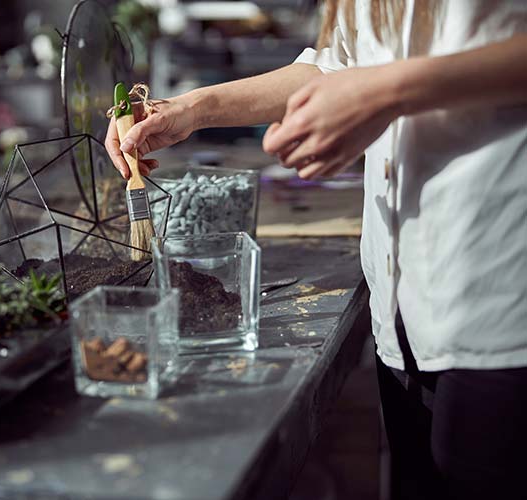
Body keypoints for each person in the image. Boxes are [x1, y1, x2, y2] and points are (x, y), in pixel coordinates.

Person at [105, 1, 527, 499]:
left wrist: (386, 91)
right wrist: (193, 108)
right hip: (409, 311)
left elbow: (370, 79)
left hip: (503, 298)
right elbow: (338, 65)